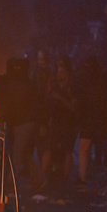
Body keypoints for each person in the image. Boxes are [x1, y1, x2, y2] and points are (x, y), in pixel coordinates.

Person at [75, 56, 107, 185]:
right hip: (94, 118)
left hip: (96, 117)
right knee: (85, 147)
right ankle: (82, 178)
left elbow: (106, 100)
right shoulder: (89, 80)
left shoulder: (96, 80)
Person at [0, 57, 37, 188]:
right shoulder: (6, 83)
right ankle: (39, 178)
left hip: (21, 122)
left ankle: (9, 180)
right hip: (14, 122)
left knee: (15, 151)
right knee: (19, 151)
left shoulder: (20, 84)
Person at [40, 56, 78, 187]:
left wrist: (60, 98)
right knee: (48, 149)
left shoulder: (72, 88)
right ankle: (43, 177)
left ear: (67, 73)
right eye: (58, 71)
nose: (59, 74)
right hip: (55, 123)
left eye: (62, 72)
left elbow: (74, 108)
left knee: (67, 151)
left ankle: (65, 178)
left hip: (68, 124)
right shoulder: (54, 87)